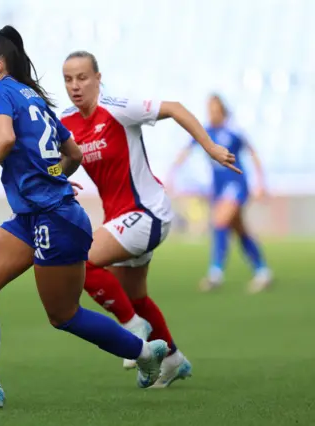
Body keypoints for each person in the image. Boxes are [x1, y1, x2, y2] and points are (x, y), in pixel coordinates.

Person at [0, 27, 170, 411]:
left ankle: (144, 352)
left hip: (55, 219)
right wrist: (53, 178)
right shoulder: (30, 95)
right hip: (35, 215)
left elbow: (4, 140)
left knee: (64, 315)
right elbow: (74, 153)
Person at [60, 51, 240, 387]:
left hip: (147, 213)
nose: (75, 85)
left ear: (98, 78)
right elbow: (66, 161)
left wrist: (210, 147)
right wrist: (55, 175)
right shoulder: (66, 122)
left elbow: (174, 108)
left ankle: (132, 328)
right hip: (121, 219)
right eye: (68, 79)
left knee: (79, 261)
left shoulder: (118, 108)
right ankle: (172, 358)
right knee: (136, 295)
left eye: (82, 77)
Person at [169, 94, 272, 293]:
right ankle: (262, 271)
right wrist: (171, 174)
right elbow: (186, 151)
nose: (211, 113)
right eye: (209, 110)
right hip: (218, 187)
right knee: (240, 230)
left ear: (222, 110)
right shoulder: (206, 132)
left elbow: (253, 152)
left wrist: (261, 182)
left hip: (236, 184)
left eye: (214, 109)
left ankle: (215, 273)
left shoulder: (233, 131)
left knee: (220, 221)